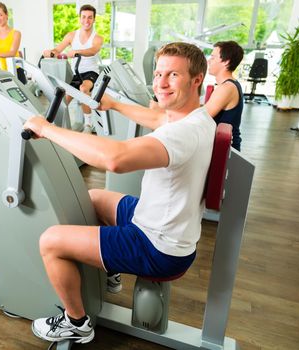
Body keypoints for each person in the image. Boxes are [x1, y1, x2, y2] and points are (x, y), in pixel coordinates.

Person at [24, 42, 215, 344]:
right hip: (160, 222)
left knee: (50, 241)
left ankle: (76, 322)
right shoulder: (196, 117)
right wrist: (113, 104)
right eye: (158, 73)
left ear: (197, 79)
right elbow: (156, 119)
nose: (161, 83)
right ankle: (109, 268)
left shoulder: (184, 134)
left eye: (173, 75)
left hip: (157, 246)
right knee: (95, 199)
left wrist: (46, 129)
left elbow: (115, 159)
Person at [42, 4, 103, 133]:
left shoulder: (98, 38)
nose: (86, 20)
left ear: (94, 19)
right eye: (84, 17)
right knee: (63, 97)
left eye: (90, 18)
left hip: (91, 72)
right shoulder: (71, 36)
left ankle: (88, 125)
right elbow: (58, 50)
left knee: (83, 89)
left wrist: (76, 52)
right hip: (75, 73)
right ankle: (57, 124)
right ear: (80, 18)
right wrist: (51, 52)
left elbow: (93, 51)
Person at [205, 41, 244, 151]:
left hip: (226, 152)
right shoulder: (228, 84)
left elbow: (201, 118)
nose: (209, 61)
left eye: (213, 57)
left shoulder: (227, 88)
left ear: (226, 62)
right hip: (222, 147)